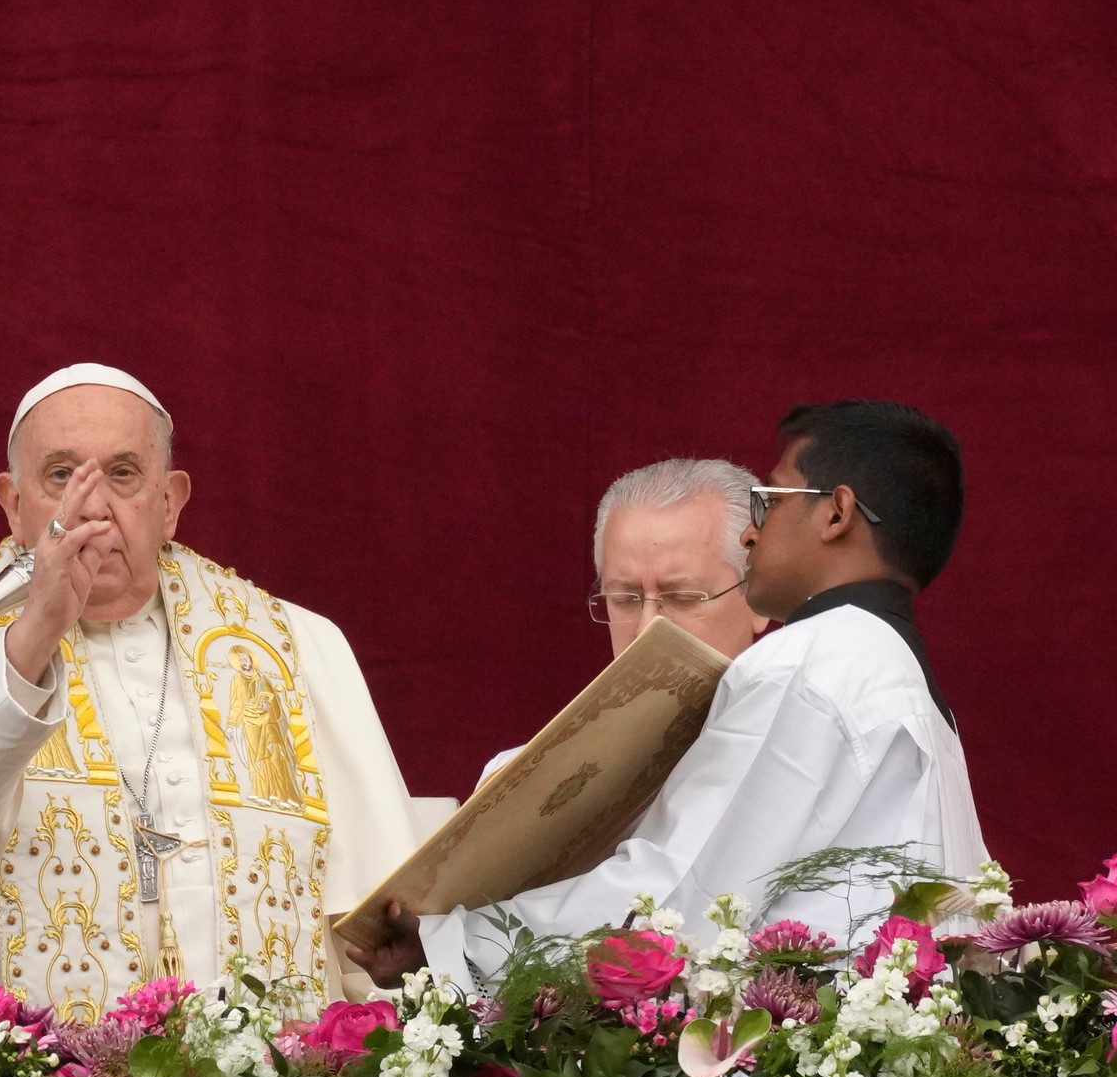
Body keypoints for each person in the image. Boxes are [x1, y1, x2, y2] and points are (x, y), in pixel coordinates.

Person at [0, 364, 420, 1017]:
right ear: (14, 505)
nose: (93, 506)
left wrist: (396, 981)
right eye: (61, 476)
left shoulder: (297, 648)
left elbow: (376, 922)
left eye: (123, 474)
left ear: (170, 503)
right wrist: (32, 635)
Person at [353, 401, 988, 988]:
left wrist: (448, 944)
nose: (749, 536)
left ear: (835, 513)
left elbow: (683, 900)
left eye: (766, 504)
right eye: (624, 598)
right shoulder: (886, 663)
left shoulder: (808, 661)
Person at [466, 457, 770, 790]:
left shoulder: (815, 761)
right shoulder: (523, 783)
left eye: (682, 597)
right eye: (625, 599)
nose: (646, 628)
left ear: (759, 597)